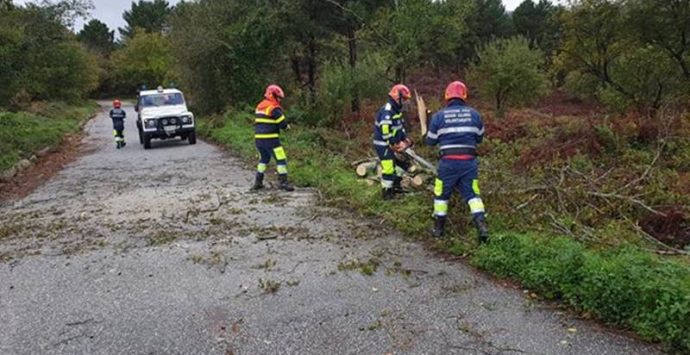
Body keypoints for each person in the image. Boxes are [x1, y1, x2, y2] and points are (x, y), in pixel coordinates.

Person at [425, 81, 489, 243]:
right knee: (473, 194)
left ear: (447, 96)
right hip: (469, 162)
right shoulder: (475, 115)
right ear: (464, 96)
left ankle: (438, 229)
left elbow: (431, 141)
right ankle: (481, 226)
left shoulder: (439, 116)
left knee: (441, 193)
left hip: (448, 163)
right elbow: (480, 138)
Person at [373, 84, 413, 200]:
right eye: (404, 99)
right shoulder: (388, 110)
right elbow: (385, 129)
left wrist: (405, 140)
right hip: (383, 145)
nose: (406, 102)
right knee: (388, 168)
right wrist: (392, 143)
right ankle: (387, 193)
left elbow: (399, 128)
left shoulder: (397, 111)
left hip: (393, 144)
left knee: (403, 165)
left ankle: (396, 186)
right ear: (397, 98)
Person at [251, 84, 294, 192]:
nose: (279, 100)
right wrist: (287, 127)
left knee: (264, 159)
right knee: (281, 159)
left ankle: (258, 182)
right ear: (273, 95)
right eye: (278, 97)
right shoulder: (274, 107)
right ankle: (283, 182)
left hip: (259, 140)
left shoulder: (260, 106)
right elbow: (282, 123)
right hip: (271, 139)